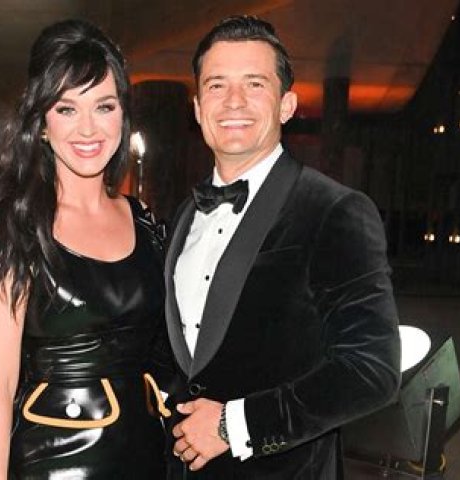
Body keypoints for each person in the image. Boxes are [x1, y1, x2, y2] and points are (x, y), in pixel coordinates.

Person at [164, 16, 401, 479]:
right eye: (216, 85)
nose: (233, 101)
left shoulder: (335, 210)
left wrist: (234, 426)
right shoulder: (184, 215)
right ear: (197, 107)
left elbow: (371, 371)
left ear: (286, 105)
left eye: (254, 84)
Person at [0, 20, 172, 479]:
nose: (88, 128)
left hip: (145, 457)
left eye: (104, 106)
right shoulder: (15, 230)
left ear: (122, 115)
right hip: (54, 464)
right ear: (41, 124)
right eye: (66, 108)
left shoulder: (144, 220)